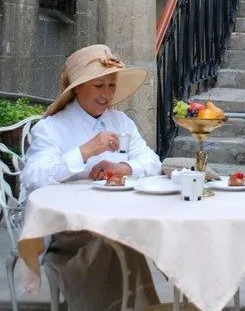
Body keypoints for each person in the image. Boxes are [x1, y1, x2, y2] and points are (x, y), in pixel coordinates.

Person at [24, 44, 163, 311]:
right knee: (116, 243)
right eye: (99, 86)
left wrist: (124, 167)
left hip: (117, 219)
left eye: (111, 85)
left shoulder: (121, 122)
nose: (107, 94)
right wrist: (85, 151)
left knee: (131, 237)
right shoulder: (52, 127)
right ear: (77, 88)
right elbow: (35, 177)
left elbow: (152, 161)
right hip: (69, 230)